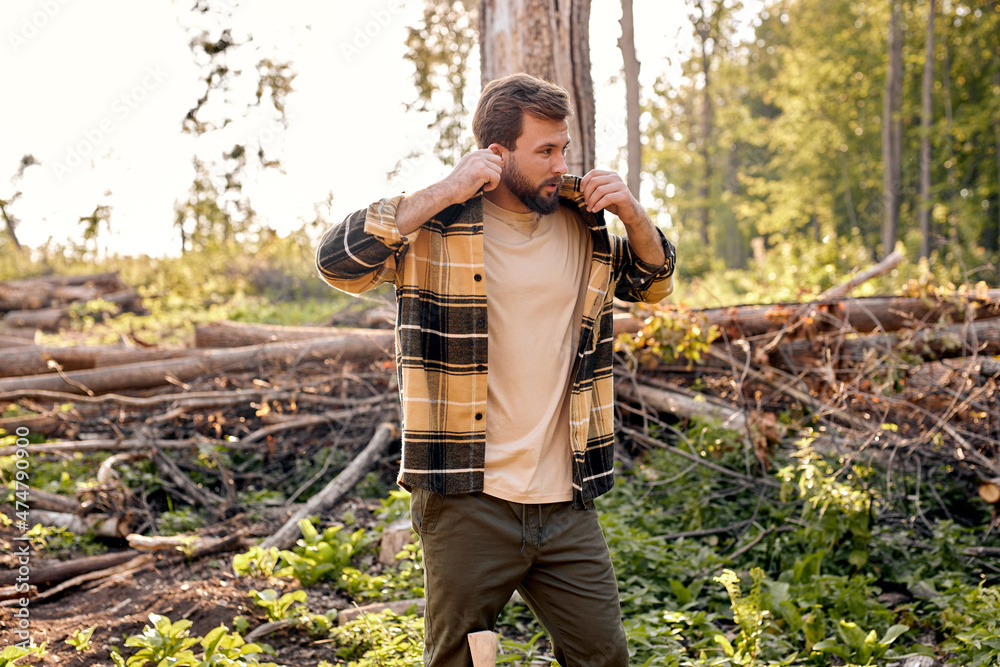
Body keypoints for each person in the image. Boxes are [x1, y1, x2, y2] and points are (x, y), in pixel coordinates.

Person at [316, 72, 676, 667]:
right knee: (456, 660)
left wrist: (634, 215)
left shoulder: (584, 221)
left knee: (605, 657)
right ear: (497, 153)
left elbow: (652, 284)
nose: (561, 163)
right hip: (466, 495)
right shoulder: (433, 225)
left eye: (564, 148)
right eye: (545, 151)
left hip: (567, 500)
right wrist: (446, 188)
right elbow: (336, 262)